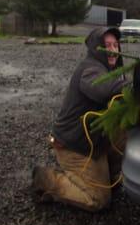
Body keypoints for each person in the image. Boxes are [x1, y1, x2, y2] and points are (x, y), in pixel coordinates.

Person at [32, 26, 129, 212]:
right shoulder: (90, 69)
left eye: (116, 45)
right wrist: (134, 85)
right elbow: (101, 89)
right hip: (75, 146)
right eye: (107, 44)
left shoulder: (112, 71)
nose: (113, 49)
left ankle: (107, 175)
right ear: (96, 48)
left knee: (127, 132)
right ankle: (49, 178)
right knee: (99, 200)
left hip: (94, 137)